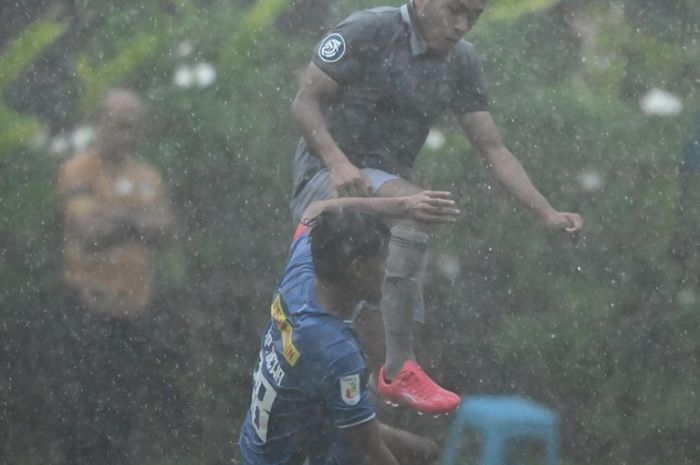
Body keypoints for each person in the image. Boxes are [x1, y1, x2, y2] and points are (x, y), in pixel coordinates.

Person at [289, 0, 584, 414]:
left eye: (474, 17)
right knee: (416, 209)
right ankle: (398, 368)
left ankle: (375, 389)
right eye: (455, 11)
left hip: (386, 198)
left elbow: (494, 149)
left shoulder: (461, 62)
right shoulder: (369, 30)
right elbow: (303, 102)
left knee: (390, 315)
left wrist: (547, 212)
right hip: (326, 182)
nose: (462, 25)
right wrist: (338, 162)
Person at [239, 191, 458, 465]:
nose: (388, 272)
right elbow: (368, 448)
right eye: (384, 261)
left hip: (269, 439)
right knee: (410, 453)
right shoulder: (335, 350)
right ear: (357, 268)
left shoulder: (302, 272)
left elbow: (317, 209)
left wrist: (403, 206)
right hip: (296, 455)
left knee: (423, 451)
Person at [57, 88, 176, 465]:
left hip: (135, 310)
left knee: (126, 411)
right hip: (86, 307)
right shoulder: (77, 170)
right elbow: (87, 231)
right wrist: (136, 221)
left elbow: (167, 230)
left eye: (133, 127)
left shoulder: (147, 176)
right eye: (119, 125)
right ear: (99, 123)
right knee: (82, 410)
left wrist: (115, 219)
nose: (127, 135)